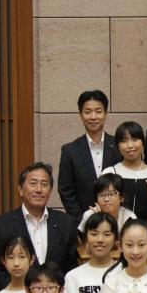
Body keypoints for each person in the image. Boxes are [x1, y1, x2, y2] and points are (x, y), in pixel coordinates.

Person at [0, 162, 79, 290]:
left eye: (44, 184)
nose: (39, 189)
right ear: (20, 189)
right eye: (33, 183)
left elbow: (71, 267)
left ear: (50, 190)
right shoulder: (2, 225)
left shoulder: (66, 223)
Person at [58, 90, 122, 221]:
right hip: (84, 225)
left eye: (98, 111)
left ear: (105, 114)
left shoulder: (119, 146)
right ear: (81, 115)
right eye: (87, 112)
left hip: (118, 221)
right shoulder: (70, 150)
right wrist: (82, 220)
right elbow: (66, 191)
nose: (93, 117)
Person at [101, 122, 147, 222]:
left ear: (143, 142)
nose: (130, 145)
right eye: (124, 141)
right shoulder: (109, 173)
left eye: (135, 139)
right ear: (118, 146)